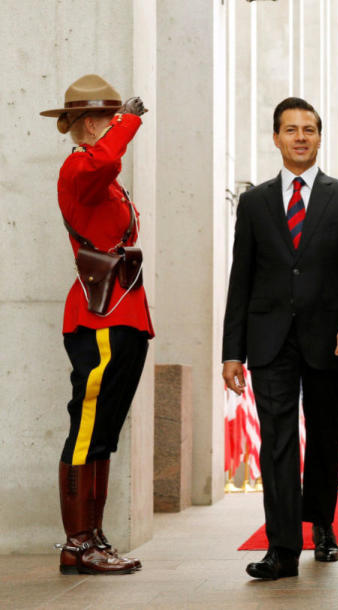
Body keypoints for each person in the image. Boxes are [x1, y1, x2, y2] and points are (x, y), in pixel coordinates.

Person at [222, 97, 338, 579]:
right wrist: (232, 352)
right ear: (276, 138)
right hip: (269, 339)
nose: (300, 137)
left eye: (309, 129)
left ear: (319, 136)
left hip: (331, 337)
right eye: (290, 130)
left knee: (326, 434)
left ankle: (324, 524)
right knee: (278, 441)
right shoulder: (253, 203)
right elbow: (241, 276)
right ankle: (283, 548)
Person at [41, 74, 151, 575]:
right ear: (92, 124)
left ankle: (94, 536)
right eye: (110, 118)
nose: (117, 127)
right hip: (97, 317)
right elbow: (105, 156)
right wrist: (128, 122)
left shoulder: (102, 177)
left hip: (122, 313)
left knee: (103, 430)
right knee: (87, 428)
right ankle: (77, 542)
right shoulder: (79, 168)